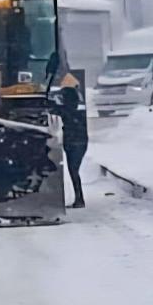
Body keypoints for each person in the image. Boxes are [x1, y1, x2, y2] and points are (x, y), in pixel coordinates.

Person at [56, 75, 88, 209]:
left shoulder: (66, 110)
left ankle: (80, 199)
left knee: (73, 170)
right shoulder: (78, 109)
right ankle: (79, 198)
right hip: (80, 141)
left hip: (73, 142)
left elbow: (56, 110)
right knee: (74, 171)